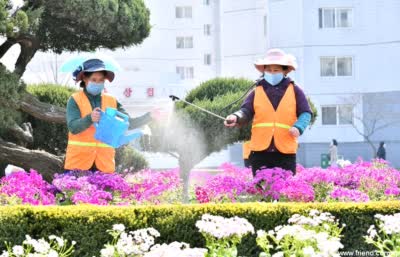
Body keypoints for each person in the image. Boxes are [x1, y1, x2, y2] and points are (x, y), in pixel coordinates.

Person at [224, 49, 312, 176]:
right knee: (261, 190)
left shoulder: (295, 90)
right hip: (260, 151)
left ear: (284, 71)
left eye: (276, 70)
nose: (272, 73)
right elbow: (246, 111)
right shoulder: (256, 91)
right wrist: (236, 117)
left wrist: (299, 127)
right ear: (264, 71)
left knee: (285, 191)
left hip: (285, 151)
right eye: (268, 70)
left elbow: (306, 113)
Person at [64, 58, 152, 173]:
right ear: (85, 79)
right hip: (78, 164)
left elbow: (129, 123)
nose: (97, 83)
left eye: (101, 80)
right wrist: (90, 118)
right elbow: (73, 127)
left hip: (104, 165)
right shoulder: (75, 99)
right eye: (94, 79)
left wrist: (150, 116)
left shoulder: (112, 100)